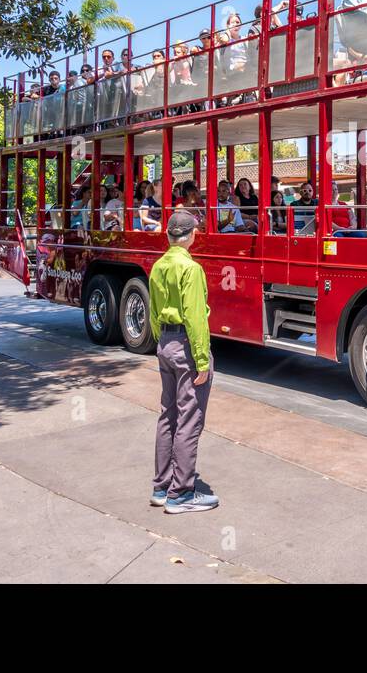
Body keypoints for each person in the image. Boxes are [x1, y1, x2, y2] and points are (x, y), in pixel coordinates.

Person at [147, 211, 218, 513]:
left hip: (165, 342)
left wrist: (160, 342)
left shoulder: (158, 266)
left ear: (168, 235)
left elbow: (153, 310)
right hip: (187, 347)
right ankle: (181, 493)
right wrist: (202, 359)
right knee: (190, 420)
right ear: (192, 235)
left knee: (168, 416)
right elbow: (196, 318)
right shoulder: (191, 268)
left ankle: (162, 487)